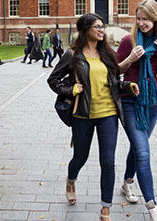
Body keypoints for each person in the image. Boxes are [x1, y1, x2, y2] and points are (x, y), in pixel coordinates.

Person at [48, 13, 139, 221]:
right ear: (85, 29)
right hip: (83, 114)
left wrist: (128, 86)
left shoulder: (108, 52)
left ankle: (105, 208)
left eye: (103, 26)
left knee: (108, 161)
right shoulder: (73, 55)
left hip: (108, 114)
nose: (101, 30)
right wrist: (71, 90)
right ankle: (71, 179)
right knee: (80, 157)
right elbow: (53, 80)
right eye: (97, 26)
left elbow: (114, 81)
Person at [117, 0, 157, 221]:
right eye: (138, 19)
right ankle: (152, 205)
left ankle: (127, 183)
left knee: (138, 147)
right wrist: (131, 58)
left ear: (156, 19)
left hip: (152, 104)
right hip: (130, 101)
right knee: (143, 151)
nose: (142, 23)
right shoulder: (128, 41)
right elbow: (116, 70)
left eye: (146, 19)